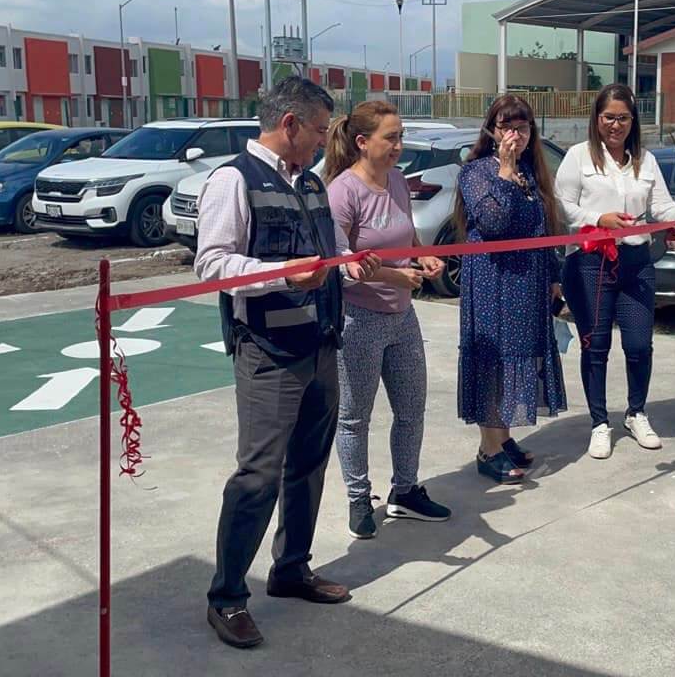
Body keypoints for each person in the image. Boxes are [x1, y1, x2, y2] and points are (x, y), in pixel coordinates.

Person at [195, 76, 381, 649]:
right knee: (258, 476)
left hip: (320, 342)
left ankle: (292, 568)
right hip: (269, 352)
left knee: (307, 465)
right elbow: (212, 263)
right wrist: (282, 274)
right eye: (321, 130)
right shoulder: (233, 180)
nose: (326, 141)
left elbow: (327, 250)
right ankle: (227, 597)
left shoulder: (311, 183)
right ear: (290, 124)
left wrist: (350, 261)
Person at [555, 84, 675, 459]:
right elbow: (562, 207)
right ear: (597, 118)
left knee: (639, 345)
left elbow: (662, 208)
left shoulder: (645, 161)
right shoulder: (578, 157)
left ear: (633, 120)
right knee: (596, 345)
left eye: (623, 118)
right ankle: (599, 423)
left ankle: (636, 413)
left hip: (636, 263)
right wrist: (599, 219)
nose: (616, 125)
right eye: (609, 117)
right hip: (591, 263)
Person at [322, 100, 451, 539]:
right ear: (362, 142)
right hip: (359, 318)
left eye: (401, 137)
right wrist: (397, 276)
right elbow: (341, 262)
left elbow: (406, 235)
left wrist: (423, 256)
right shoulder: (343, 191)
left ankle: (405, 491)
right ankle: (359, 499)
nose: (398, 146)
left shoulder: (396, 180)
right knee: (354, 416)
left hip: (401, 316)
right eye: (390, 138)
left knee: (411, 409)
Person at [454, 94, 566, 484]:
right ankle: (489, 447)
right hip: (492, 283)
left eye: (522, 126)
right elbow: (493, 223)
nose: (515, 134)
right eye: (506, 126)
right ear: (491, 130)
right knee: (494, 361)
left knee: (517, 357)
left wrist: (553, 276)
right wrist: (504, 169)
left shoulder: (530, 173)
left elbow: (543, 230)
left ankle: (502, 437)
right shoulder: (477, 172)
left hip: (527, 282)